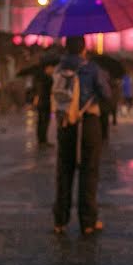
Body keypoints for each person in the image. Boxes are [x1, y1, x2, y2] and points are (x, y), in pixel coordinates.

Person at [52, 36, 112, 236]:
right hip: (87, 123)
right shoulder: (91, 68)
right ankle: (88, 221)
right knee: (89, 171)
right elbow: (106, 95)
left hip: (65, 124)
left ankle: (60, 220)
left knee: (64, 171)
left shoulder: (59, 68)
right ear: (84, 48)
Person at [33, 62, 54, 147]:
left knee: (42, 121)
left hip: (44, 102)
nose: (52, 70)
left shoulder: (42, 77)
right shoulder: (46, 78)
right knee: (43, 122)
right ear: (47, 68)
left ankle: (42, 140)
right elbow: (40, 90)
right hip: (44, 102)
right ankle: (42, 141)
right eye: (51, 68)